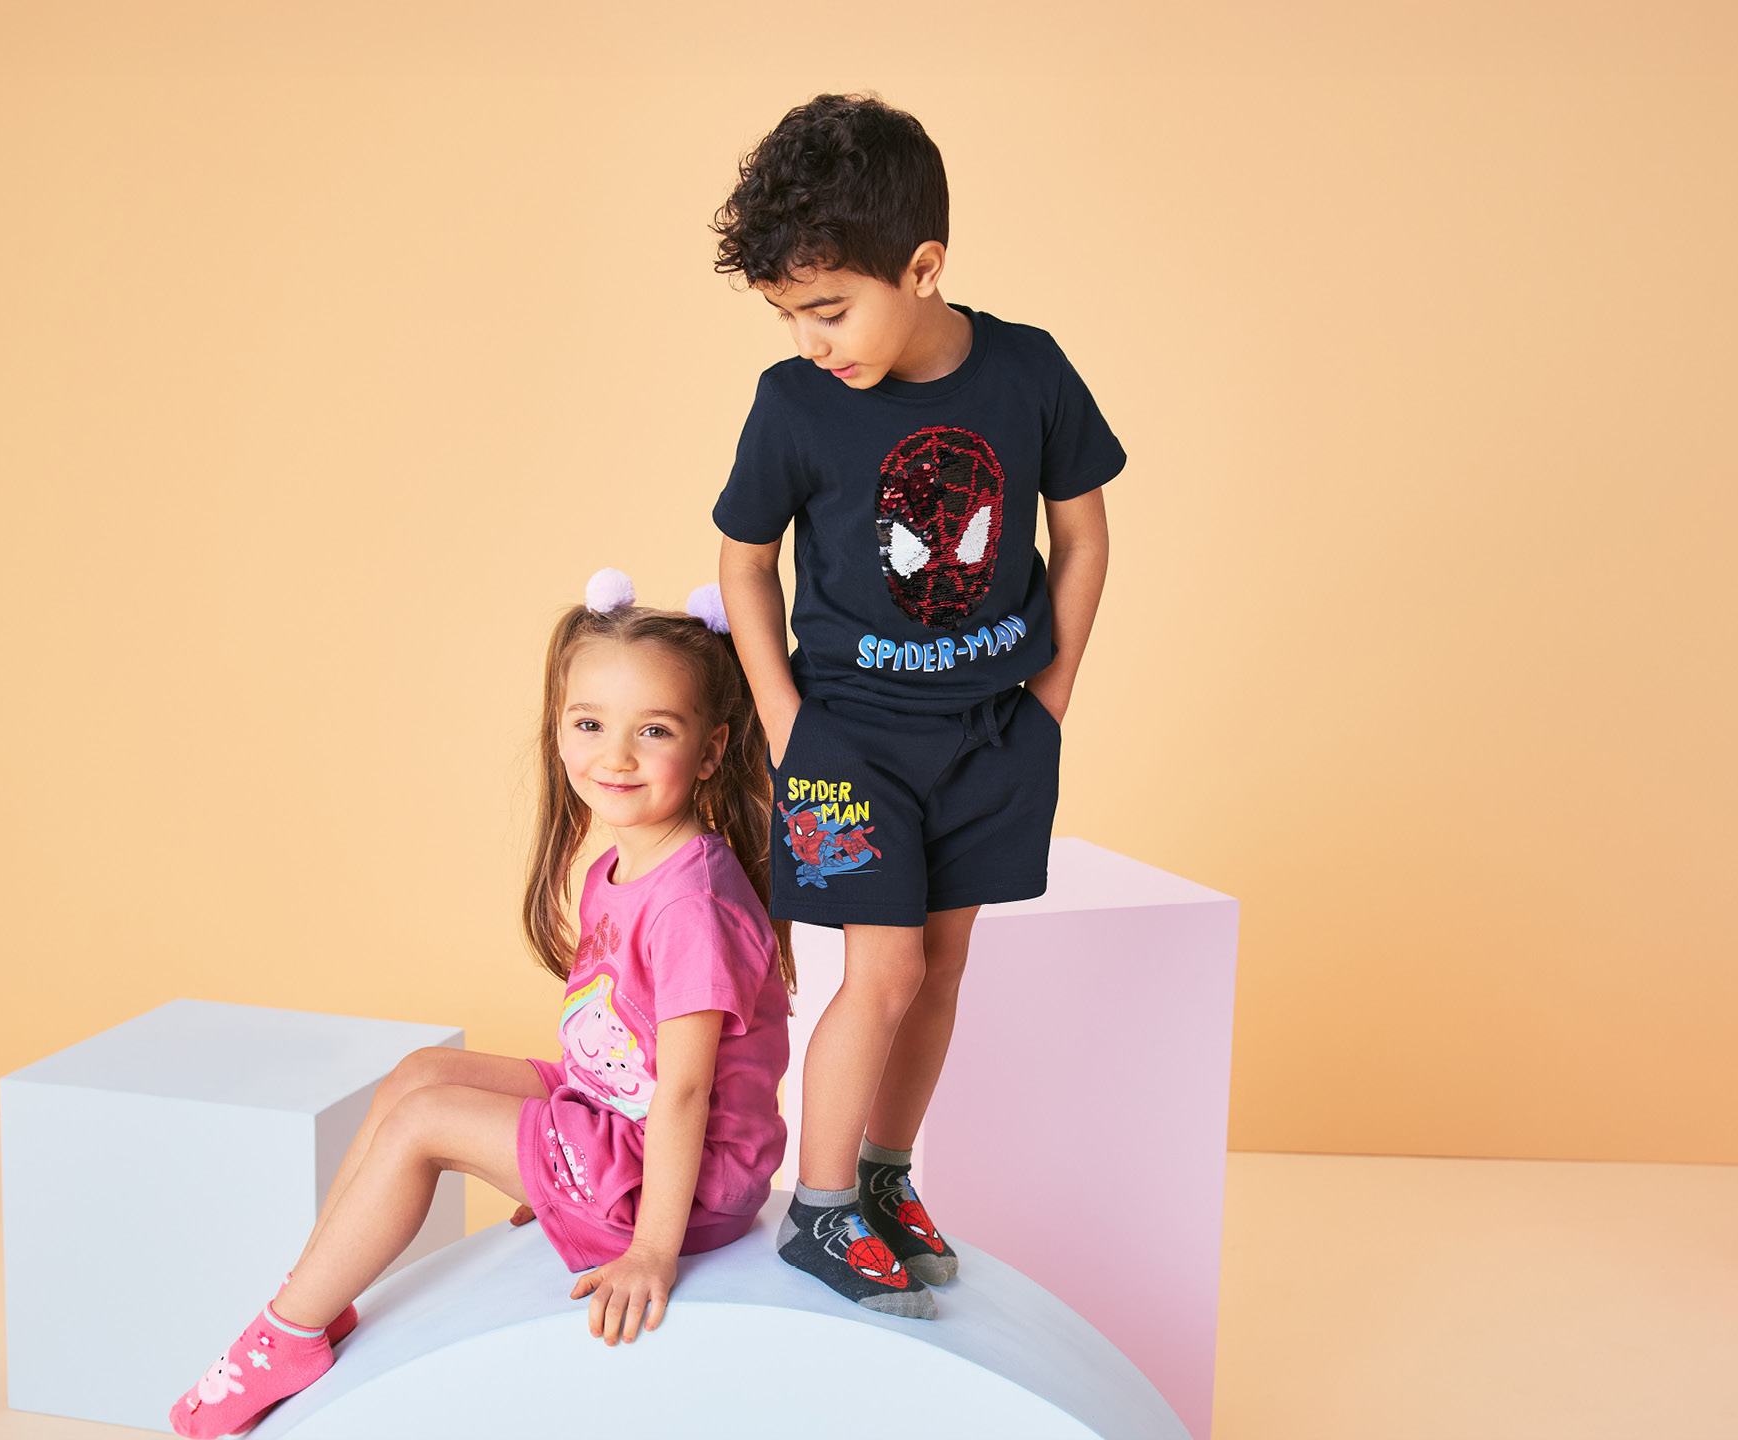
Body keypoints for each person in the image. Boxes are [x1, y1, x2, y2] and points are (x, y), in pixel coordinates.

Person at [169, 571, 793, 1438]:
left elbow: (687, 1093)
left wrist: (650, 1251)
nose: (614, 757)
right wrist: (549, 1145)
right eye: (590, 726)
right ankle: (318, 1291)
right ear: (560, 730)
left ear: (713, 749)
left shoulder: (690, 902)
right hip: (615, 1114)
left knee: (428, 1124)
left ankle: (285, 1334)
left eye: (654, 731)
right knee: (420, 1076)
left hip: (681, 1187)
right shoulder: (623, 865)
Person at [711, 94, 1122, 1317]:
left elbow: (1084, 535)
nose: (810, 338)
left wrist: (1048, 701)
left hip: (992, 736)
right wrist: (790, 729)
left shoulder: (1030, 371)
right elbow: (745, 560)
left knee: (941, 971)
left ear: (923, 265)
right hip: (847, 747)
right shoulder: (794, 405)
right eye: (789, 315)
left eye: (829, 309)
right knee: (879, 971)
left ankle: (885, 1181)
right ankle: (820, 1210)